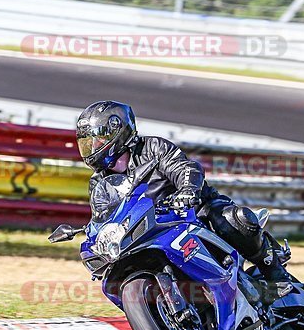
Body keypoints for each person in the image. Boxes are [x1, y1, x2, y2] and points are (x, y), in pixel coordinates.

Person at [76, 100, 292, 304]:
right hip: (152, 231)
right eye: (86, 142)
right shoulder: (99, 183)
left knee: (232, 219)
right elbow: (104, 217)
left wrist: (188, 190)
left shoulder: (153, 148)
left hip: (193, 212)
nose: (92, 147)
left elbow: (185, 168)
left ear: (118, 131)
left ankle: (275, 273)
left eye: (97, 139)